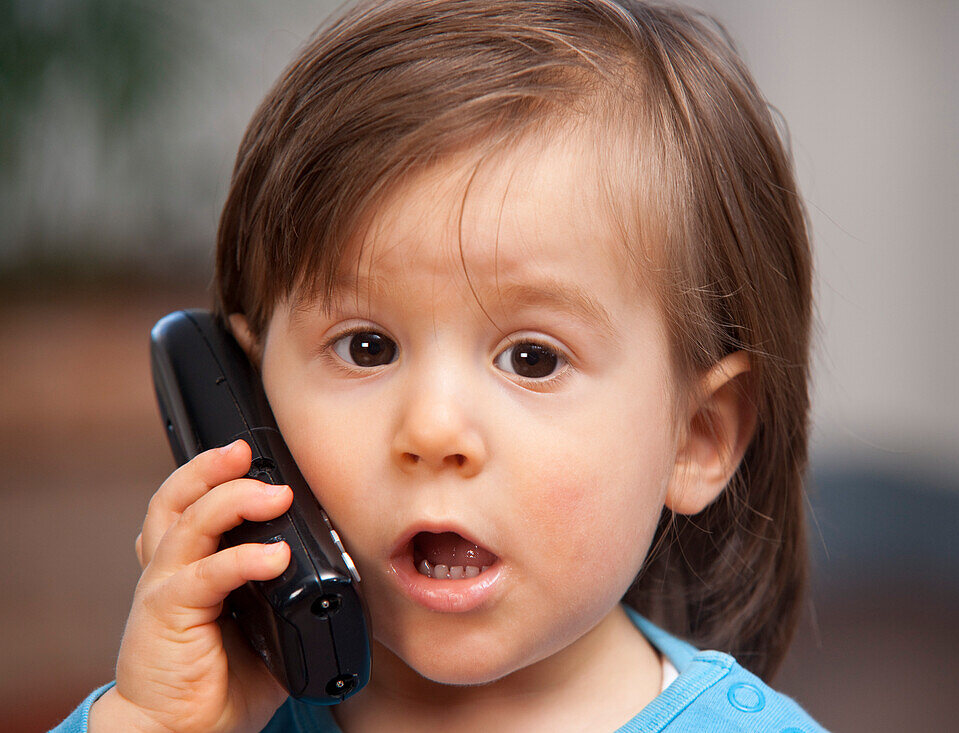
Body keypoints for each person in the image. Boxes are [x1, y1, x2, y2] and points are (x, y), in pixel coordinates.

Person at [56, 0, 824, 730]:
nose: (431, 427)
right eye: (367, 347)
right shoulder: (197, 713)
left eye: (532, 358)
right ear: (248, 399)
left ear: (697, 435)